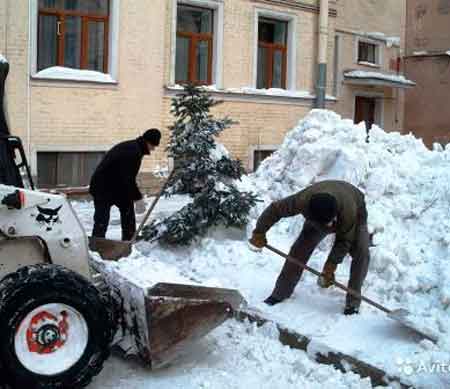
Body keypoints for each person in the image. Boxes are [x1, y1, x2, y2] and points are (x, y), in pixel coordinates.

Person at [249, 180, 370, 315]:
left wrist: (330, 266)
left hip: (356, 209)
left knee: (361, 252)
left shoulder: (349, 212)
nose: (326, 229)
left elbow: (344, 241)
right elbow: (275, 209)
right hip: (321, 212)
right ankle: (280, 293)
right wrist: (259, 231)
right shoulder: (303, 200)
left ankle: (353, 303)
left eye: (327, 225)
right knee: (299, 249)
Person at [90, 129, 161, 240]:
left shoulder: (134, 147)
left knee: (128, 212)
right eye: (153, 145)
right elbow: (128, 178)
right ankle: (97, 244)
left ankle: (128, 241)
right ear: (148, 142)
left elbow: (125, 177)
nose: (153, 149)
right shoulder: (133, 151)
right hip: (102, 186)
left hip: (116, 185)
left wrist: (135, 197)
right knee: (102, 219)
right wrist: (138, 198)